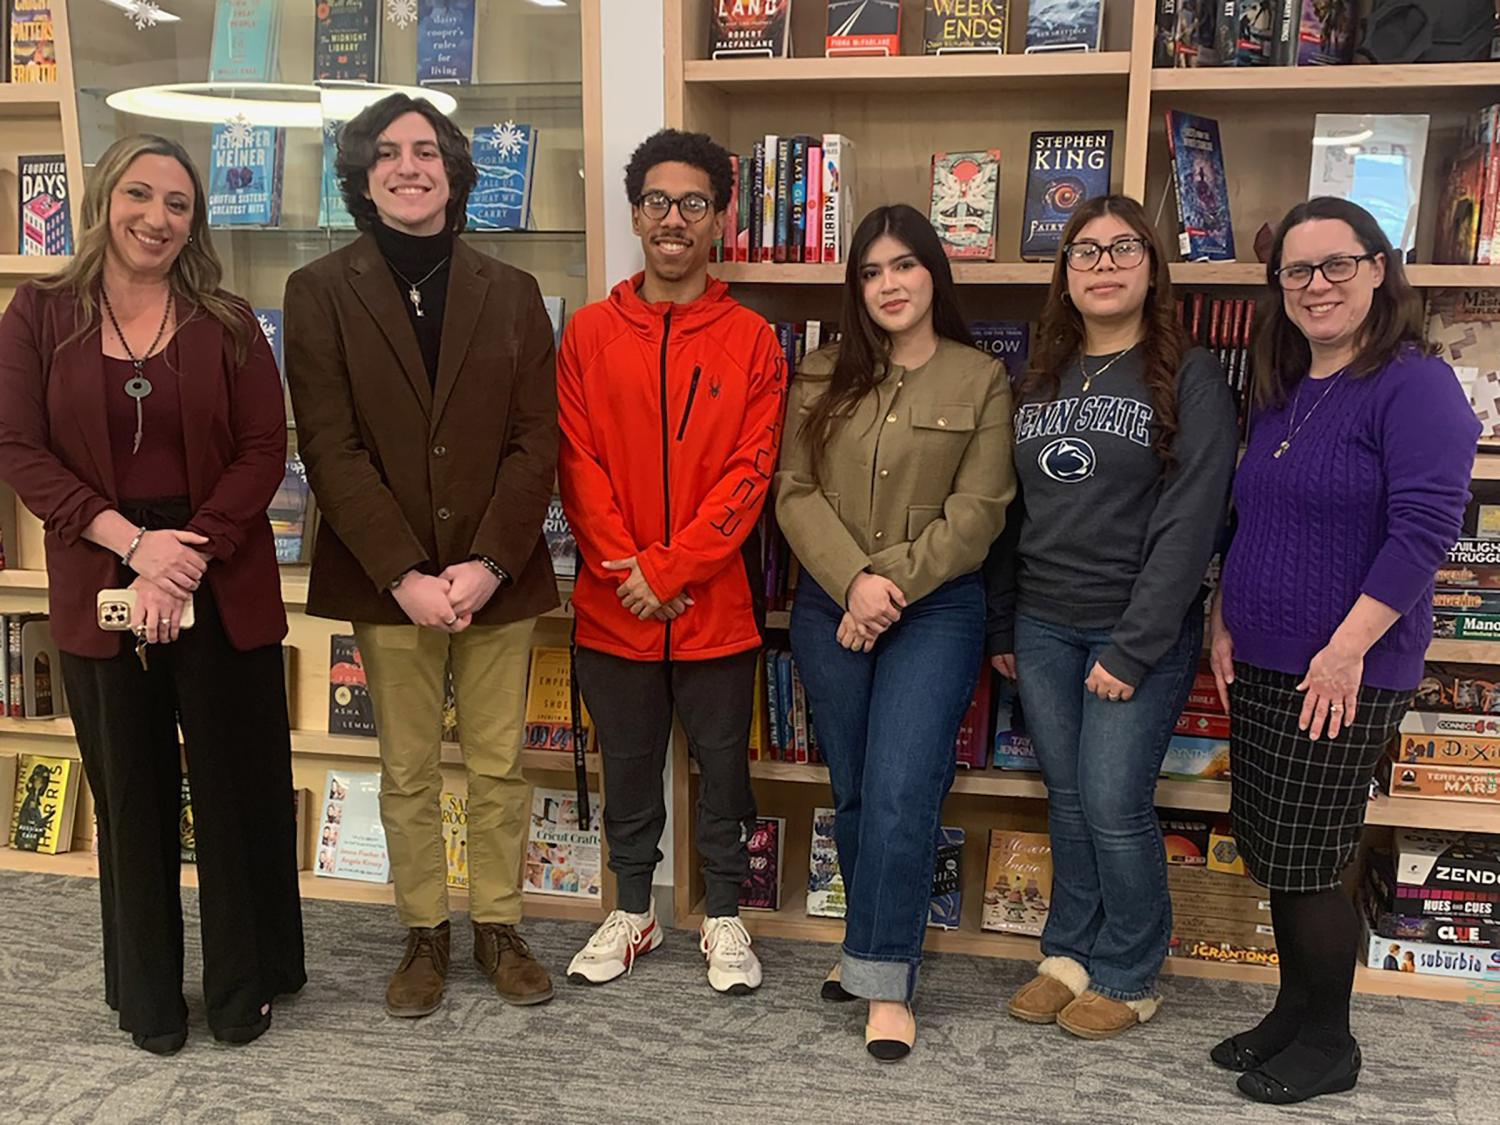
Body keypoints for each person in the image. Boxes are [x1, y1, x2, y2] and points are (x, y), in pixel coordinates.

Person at [0, 134, 305, 1054]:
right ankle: (149, 997)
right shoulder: (38, 313)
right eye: (140, 194)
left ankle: (246, 983)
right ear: (103, 199)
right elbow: (19, 450)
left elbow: (265, 448)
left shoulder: (227, 316)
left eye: (179, 204)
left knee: (236, 787)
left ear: (195, 221)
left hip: (219, 562)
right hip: (101, 560)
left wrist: (186, 555)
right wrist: (135, 545)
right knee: (130, 791)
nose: (158, 218)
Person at [284, 93, 559, 1016]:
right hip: (384, 576)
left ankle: (497, 926)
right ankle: (422, 934)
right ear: (363, 176)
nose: (411, 165)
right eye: (390, 153)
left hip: (497, 580)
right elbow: (329, 447)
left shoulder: (512, 293)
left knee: (499, 765)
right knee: (404, 769)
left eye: (429, 150)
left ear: (454, 169)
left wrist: (486, 562)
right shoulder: (318, 291)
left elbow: (536, 442)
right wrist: (404, 572)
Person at [1207, 196, 1477, 1105]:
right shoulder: (1288, 386)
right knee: (1276, 848)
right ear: (1276, 284)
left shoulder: (1415, 384)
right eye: (1296, 270)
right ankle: (1293, 1012)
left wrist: (1345, 648)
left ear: (1377, 270)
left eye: (1336, 265)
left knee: (1313, 856)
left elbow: (1426, 529)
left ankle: (1330, 1042)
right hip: (1267, 659)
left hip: (1345, 668)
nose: (1316, 285)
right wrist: (1223, 617)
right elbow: (1255, 519)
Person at [986, 194, 1237, 1040]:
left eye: (1122, 248)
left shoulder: (1190, 374)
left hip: (1136, 630)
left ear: (1151, 266)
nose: (1103, 264)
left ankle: (1131, 970)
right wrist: (1003, 624)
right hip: (1044, 625)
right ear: (1064, 273)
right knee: (1065, 797)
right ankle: (1069, 951)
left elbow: (1191, 518)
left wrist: (1133, 647)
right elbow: (1011, 511)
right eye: (1085, 251)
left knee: (1112, 800)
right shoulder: (1043, 374)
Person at [775, 203, 1015, 1061]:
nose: (889, 284)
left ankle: (884, 977)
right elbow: (792, 491)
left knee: (905, 788)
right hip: (829, 605)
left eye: (904, 265)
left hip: (936, 609)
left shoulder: (980, 377)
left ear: (932, 273)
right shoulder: (818, 373)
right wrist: (852, 582)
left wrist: (889, 586)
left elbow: (979, 512)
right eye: (871, 271)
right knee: (856, 793)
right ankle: (866, 948)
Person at [558, 128, 786, 994]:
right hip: (614, 606)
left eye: (694, 203)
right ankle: (632, 909)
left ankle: (724, 914)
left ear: (720, 220)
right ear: (635, 213)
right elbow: (576, 465)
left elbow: (751, 472)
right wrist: (631, 568)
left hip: (712, 609)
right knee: (627, 771)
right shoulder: (586, 334)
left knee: (725, 772)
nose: (673, 218)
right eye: (657, 201)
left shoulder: (754, 340)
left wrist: (673, 570)